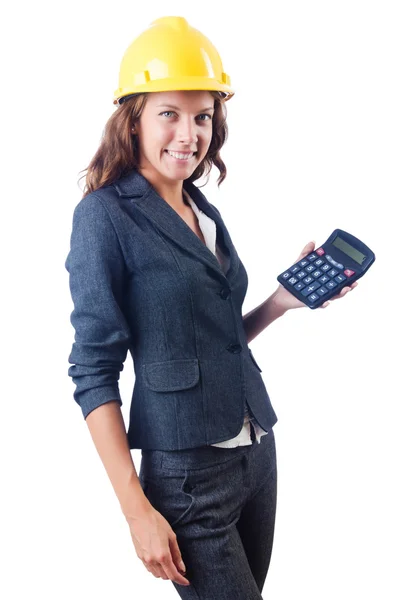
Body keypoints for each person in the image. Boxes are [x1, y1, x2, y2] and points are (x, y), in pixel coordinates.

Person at [65, 16, 358, 599]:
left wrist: (281, 302)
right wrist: (135, 509)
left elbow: (209, 340)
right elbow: (92, 371)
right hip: (186, 474)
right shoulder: (105, 216)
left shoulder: (200, 206)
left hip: (256, 455)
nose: (188, 133)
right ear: (134, 118)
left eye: (202, 116)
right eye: (168, 113)